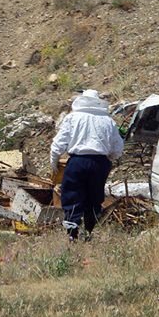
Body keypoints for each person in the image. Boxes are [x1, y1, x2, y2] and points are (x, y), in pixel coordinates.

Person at [50, 89, 124, 242]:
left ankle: (72, 234)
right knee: (95, 196)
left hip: (77, 162)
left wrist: (54, 161)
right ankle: (89, 232)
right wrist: (109, 158)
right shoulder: (108, 121)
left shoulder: (73, 118)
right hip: (100, 163)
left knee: (72, 194)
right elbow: (118, 147)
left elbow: (59, 143)